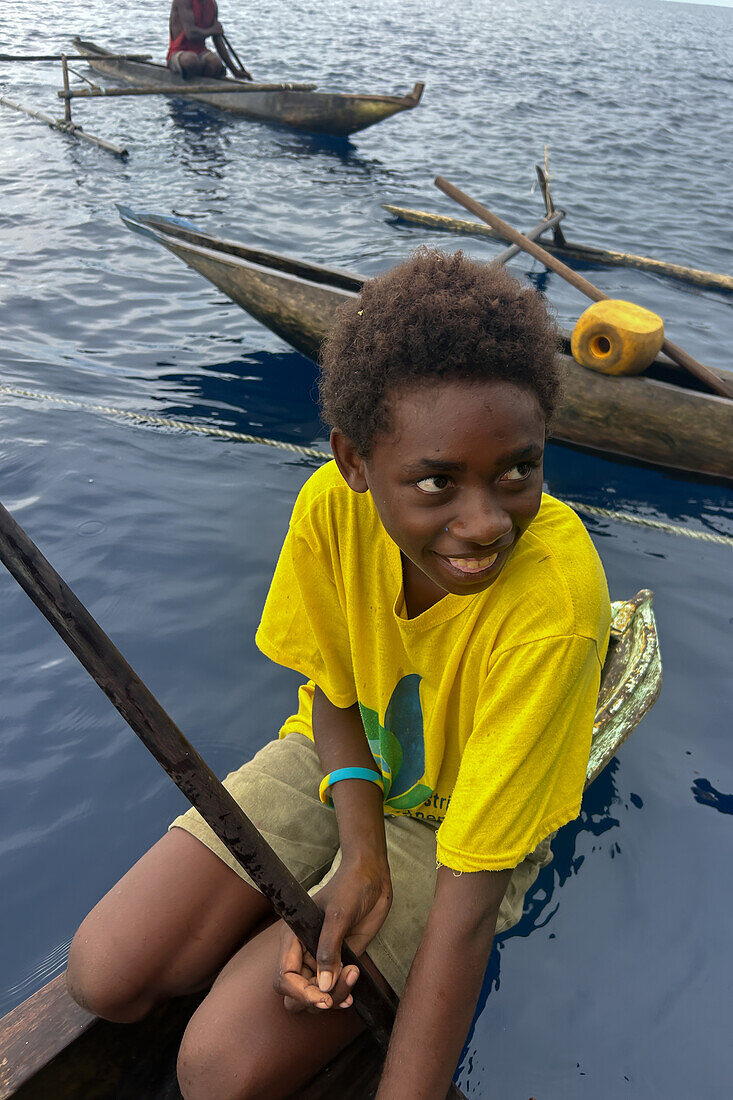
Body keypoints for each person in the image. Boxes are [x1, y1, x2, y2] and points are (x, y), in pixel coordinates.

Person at [66, 249, 611, 1100]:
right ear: (355, 463)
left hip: (456, 832)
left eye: (518, 470)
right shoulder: (329, 508)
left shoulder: (557, 608)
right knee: (104, 975)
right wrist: (359, 855)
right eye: (436, 481)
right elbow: (333, 693)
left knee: (215, 1072)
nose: (485, 523)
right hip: (340, 758)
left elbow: (467, 913)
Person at [167, 0, 251, 81]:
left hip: (200, 52)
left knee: (215, 63)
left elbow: (218, 40)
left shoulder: (212, 4)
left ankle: (202, 82)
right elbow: (191, 34)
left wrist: (235, 71)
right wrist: (212, 30)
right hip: (179, 52)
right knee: (191, 60)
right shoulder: (183, 1)